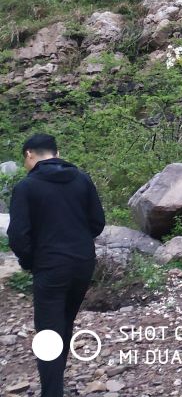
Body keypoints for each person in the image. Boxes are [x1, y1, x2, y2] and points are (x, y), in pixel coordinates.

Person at [7, 133, 106, 397]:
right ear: (57, 152)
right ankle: (55, 385)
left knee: (48, 331)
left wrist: (29, 260)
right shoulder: (82, 180)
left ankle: (52, 392)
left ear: (29, 154)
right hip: (83, 263)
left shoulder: (26, 187)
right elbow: (98, 223)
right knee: (64, 323)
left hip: (50, 266)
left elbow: (17, 235)